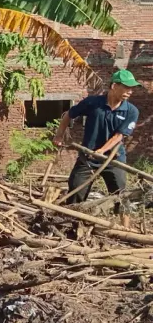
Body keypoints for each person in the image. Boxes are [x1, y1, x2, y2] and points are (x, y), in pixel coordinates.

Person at [54, 69, 141, 226]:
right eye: (126, 87)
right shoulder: (93, 103)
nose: (130, 92)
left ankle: (125, 229)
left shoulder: (131, 111)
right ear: (114, 86)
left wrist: (101, 151)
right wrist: (59, 135)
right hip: (88, 157)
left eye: (132, 88)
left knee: (121, 195)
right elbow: (69, 114)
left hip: (113, 159)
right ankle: (71, 224)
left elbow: (119, 136)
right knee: (75, 189)